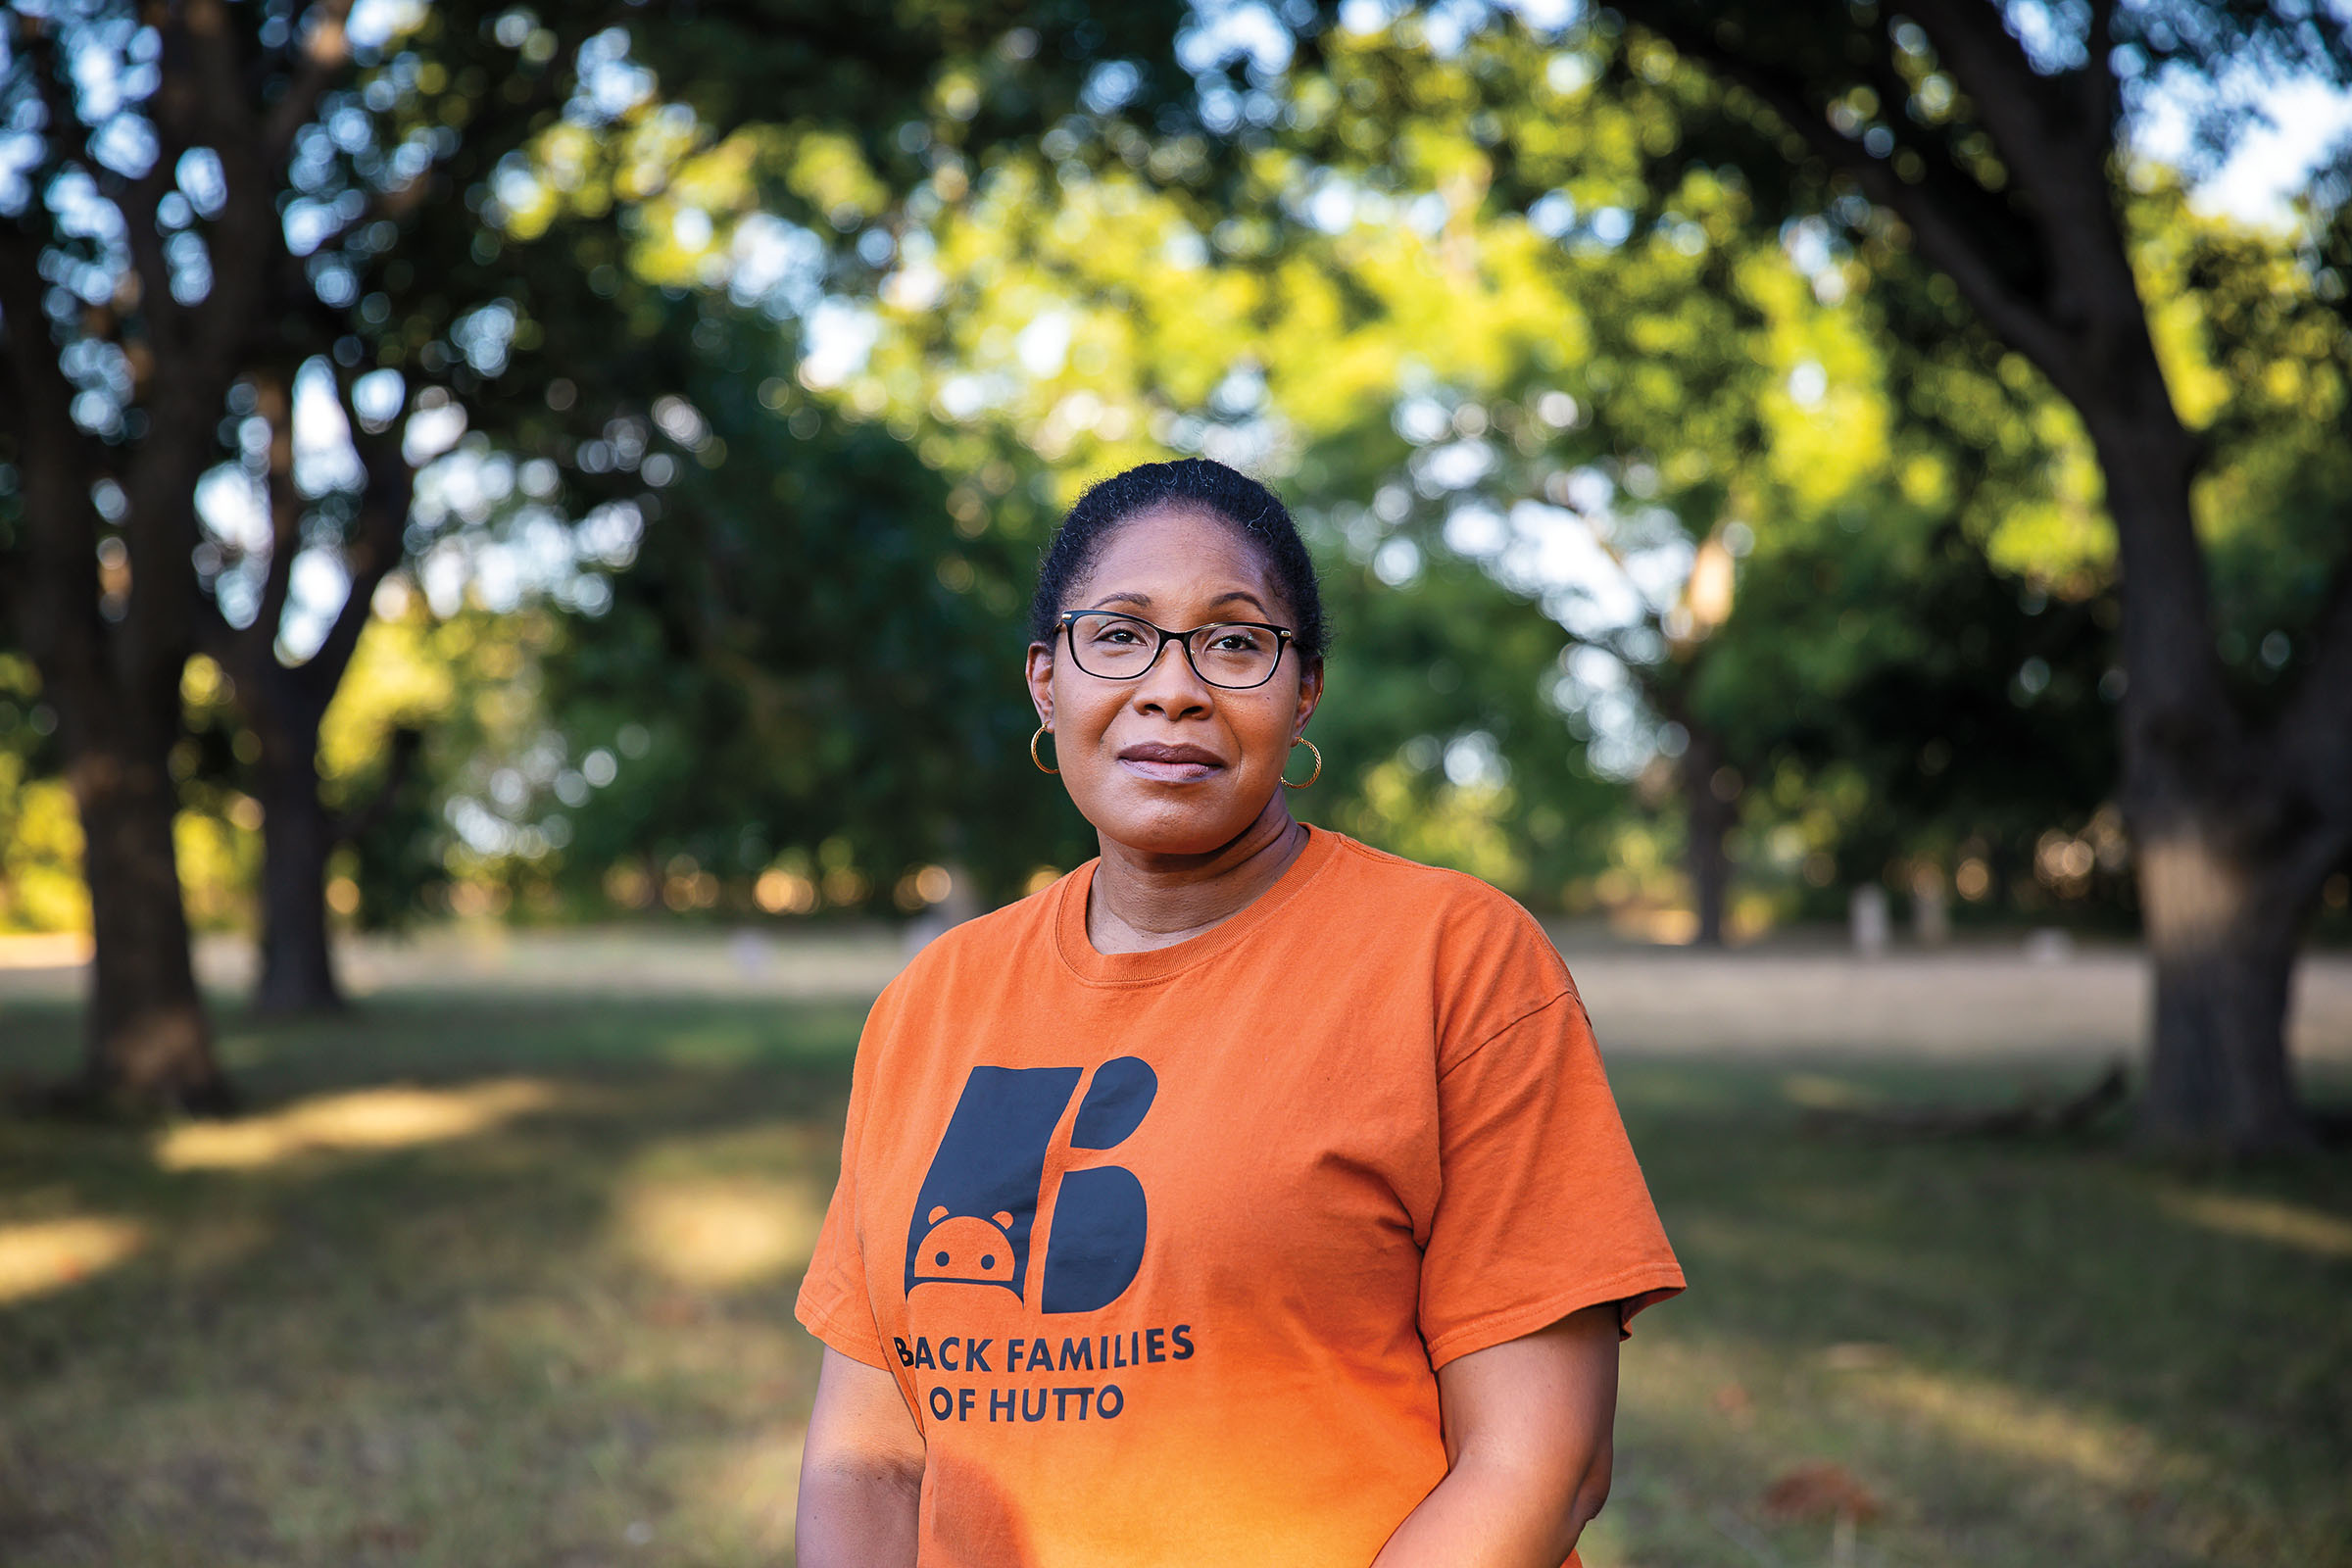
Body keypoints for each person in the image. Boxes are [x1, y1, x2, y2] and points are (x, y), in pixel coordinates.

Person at [794, 458, 1683, 1567]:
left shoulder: (1456, 960)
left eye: (1234, 641)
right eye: (1117, 634)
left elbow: (1540, 1463)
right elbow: (867, 1458)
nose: (1173, 687)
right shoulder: (931, 1002)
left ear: (1302, 691)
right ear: (1045, 680)